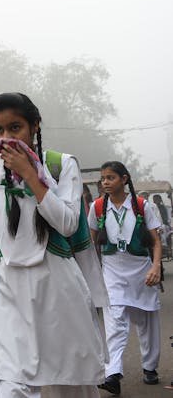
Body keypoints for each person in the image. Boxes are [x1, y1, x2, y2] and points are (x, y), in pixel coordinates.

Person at [0, 92, 106, 398]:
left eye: (15, 127)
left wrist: (32, 176)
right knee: (9, 385)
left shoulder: (62, 166)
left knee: (72, 382)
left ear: (35, 126)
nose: (7, 138)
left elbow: (69, 224)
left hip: (58, 288)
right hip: (8, 288)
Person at [88, 162, 162, 394]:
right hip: (112, 273)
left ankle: (150, 368)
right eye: (103, 179)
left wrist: (156, 267)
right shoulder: (97, 207)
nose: (105, 183)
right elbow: (90, 243)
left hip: (142, 272)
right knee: (115, 322)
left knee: (146, 323)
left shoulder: (141, 206)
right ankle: (113, 374)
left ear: (124, 179)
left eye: (110, 178)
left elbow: (156, 241)